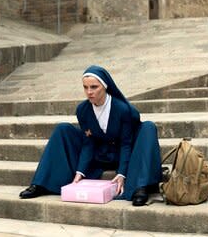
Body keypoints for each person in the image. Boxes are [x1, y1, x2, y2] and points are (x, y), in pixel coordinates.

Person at [19, 65, 162, 206]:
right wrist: (80, 171)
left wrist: (122, 174)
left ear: (105, 86)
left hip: (125, 154)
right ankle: (41, 183)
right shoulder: (83, 109)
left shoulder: (122, 109)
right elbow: (88, 142)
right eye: (85, 87)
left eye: (94, 87)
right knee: (62, 129)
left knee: (148, 127)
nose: (89, 92)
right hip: (99, 154)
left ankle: (140, 187)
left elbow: (126, 143)